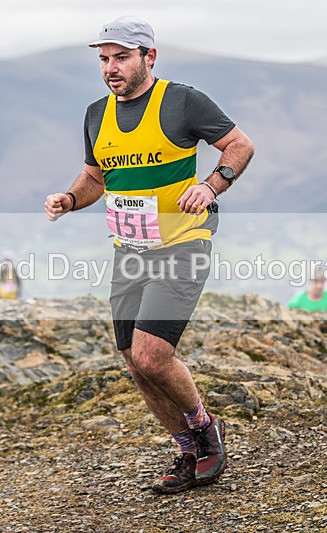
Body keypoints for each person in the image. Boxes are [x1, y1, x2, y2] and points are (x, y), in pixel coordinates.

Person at [44, 15, 254, 494]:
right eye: (103, 59)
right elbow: (96, 177)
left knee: (152, 355)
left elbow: (239, 145)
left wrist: (211, 185)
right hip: (130, 252)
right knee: (134, 363)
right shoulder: (96, 114)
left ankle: (206, 429)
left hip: (182, 243)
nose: (111, 68)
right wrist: (69, 199)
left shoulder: (181, 101)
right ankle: (187, 450)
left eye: (121, 58)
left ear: (149, 57)